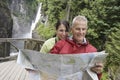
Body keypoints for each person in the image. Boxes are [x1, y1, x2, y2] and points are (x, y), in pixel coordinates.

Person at [50, 15, 103, 80]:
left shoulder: (92, 51)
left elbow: (96, 77)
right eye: (78, 29)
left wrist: (99, 72)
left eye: (83, 29)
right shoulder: (60, 44)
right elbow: (48, 64)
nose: (81, 32)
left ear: (86, 30)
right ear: (72, 29)